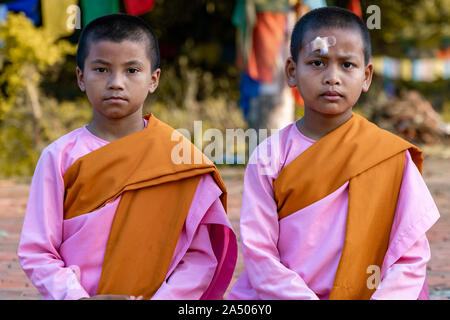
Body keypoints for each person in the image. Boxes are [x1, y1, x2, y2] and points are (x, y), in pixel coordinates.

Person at [17, 13, 237, 300]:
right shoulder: (59, 157)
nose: (116, 82)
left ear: (153, 79)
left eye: (132, 70)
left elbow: (200, 257)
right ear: (81, 77)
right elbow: (38, 251)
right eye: (101, 69)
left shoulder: (180, 158)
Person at [228, 7, 440, 300]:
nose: (332, 77)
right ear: (292, 71)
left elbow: (409, 256)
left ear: (366, 76)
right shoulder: (269, 156)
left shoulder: (390, 156)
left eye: (347, 65)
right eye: (317, 63)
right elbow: (259, 252)